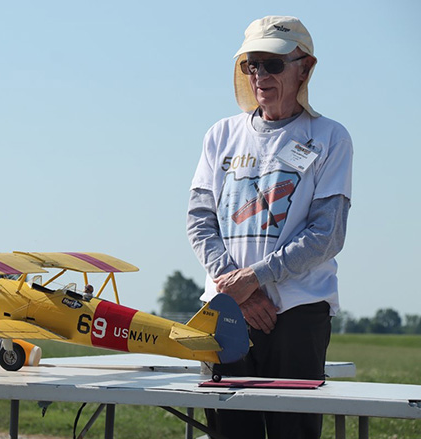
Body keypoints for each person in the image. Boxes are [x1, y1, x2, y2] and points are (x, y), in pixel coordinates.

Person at [186, 16, 353, 439]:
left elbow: (326, 233)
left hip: (297, 313)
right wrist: (234, 289)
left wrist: (256, 278)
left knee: (292, 432)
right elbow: (200, 219)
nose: (261, 75)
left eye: (273, 64)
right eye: (251, 64)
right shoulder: (220, 135)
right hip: (224, 311)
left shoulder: (330, 137)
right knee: (230, 432)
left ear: (305, 67)